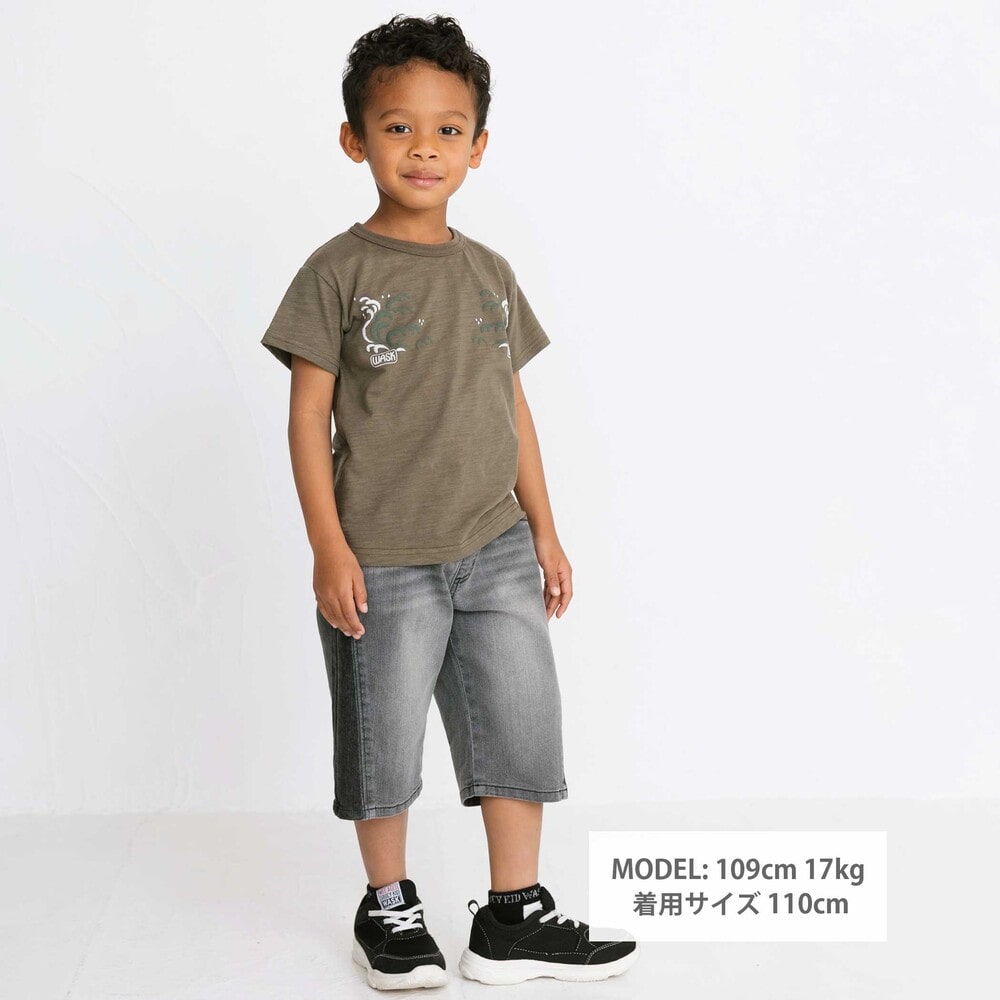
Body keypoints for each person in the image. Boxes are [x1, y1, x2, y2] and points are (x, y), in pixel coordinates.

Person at [260, 13, 638, 991]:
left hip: (495, 546)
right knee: (382, 741)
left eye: (447, 129)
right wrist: (329, 548)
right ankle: (388, 905)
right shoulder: (336, 272)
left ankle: (514, 916)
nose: (423, 148)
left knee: (519, 723)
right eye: (398, 127)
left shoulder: (489, 272)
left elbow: (512, 404)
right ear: (355, 140)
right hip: (382, 555)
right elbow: (307, 418)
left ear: (478, 145)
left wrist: (545, 530)